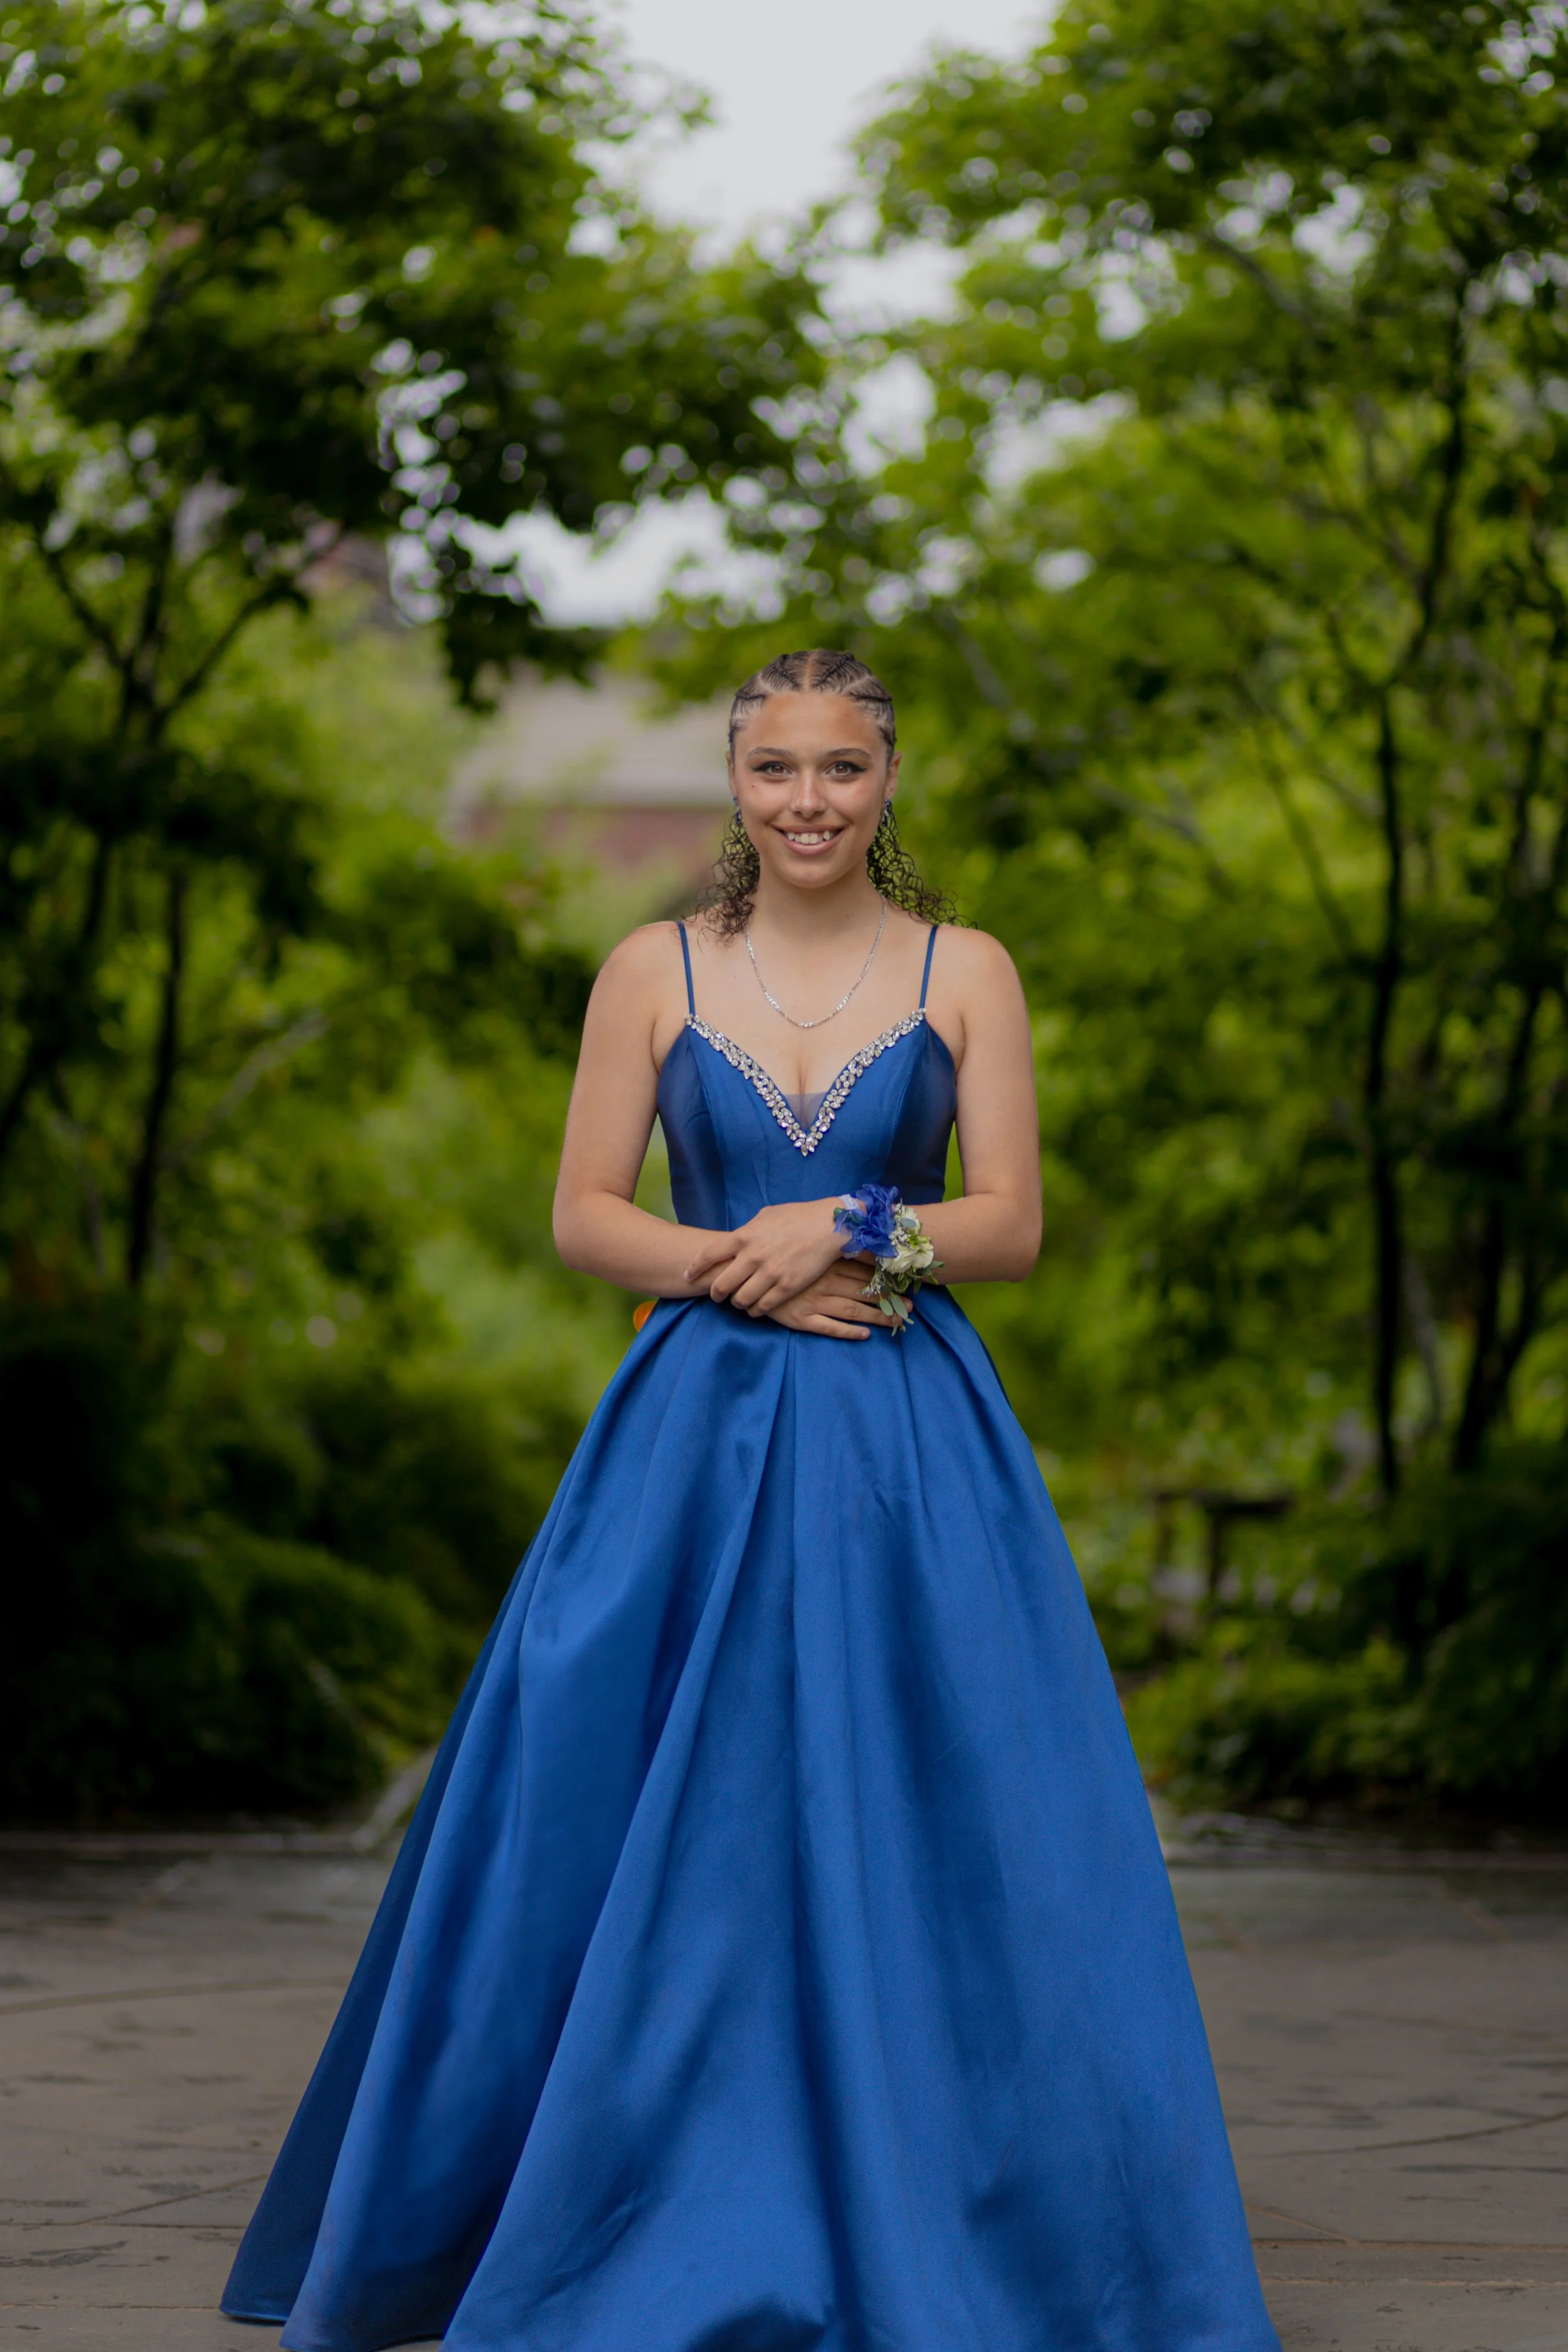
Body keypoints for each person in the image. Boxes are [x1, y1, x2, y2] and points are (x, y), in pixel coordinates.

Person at [223, 650, 1279, 2352]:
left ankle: (972, 2219)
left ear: (886, 781)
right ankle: (592, 2204)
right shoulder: (650, 968)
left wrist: (864, 1229)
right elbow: (581, 1214)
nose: (807, 798)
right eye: (775, 767)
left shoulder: (966, 970)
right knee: (625, 1805)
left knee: (940, 1812)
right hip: (688, 1440)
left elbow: (1008, 1218)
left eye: (841, 768)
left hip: (905, 1449)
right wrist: (751, 1260)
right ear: (734, 782)